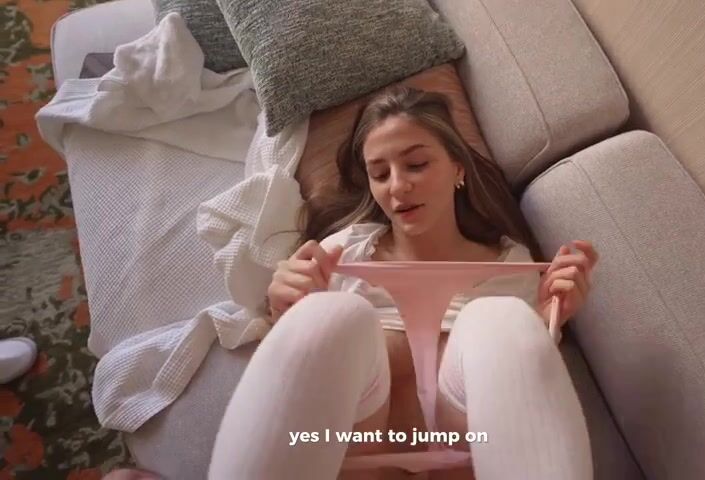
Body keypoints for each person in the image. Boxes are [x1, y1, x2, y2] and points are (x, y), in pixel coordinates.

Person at [207, 86, 598, 480]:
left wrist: (544, 324)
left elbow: (515, 394)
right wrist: (284, 313)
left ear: (457, 168)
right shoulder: (341, 255)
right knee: (330, 314)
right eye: (380, 174)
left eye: (416, 165)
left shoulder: (511, 267)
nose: (396, 186)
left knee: (501, 320)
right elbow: (303, 385)